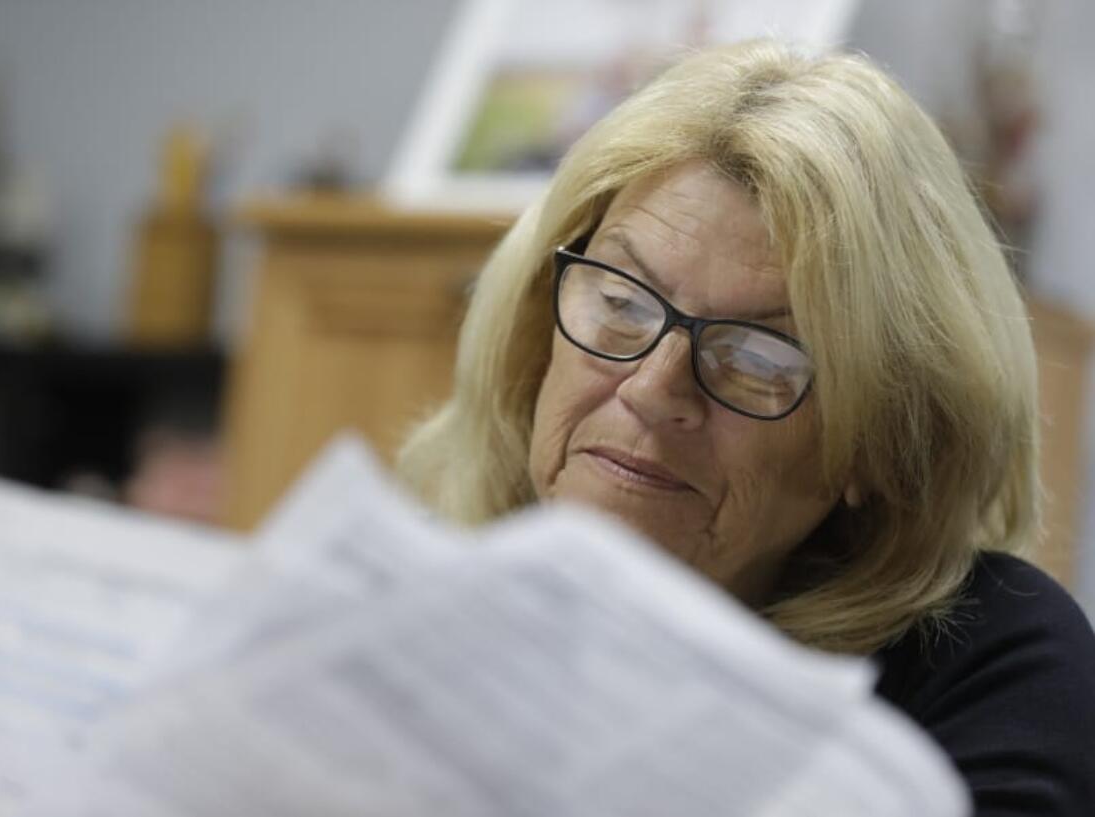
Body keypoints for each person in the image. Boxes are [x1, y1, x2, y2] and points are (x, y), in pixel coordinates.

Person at [395, 40, 1095, 815]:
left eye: (758, 355)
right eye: (622, 303)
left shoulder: (994, 664)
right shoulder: (405, 598)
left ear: (877, 440)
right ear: (538, 329)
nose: (656, 389)